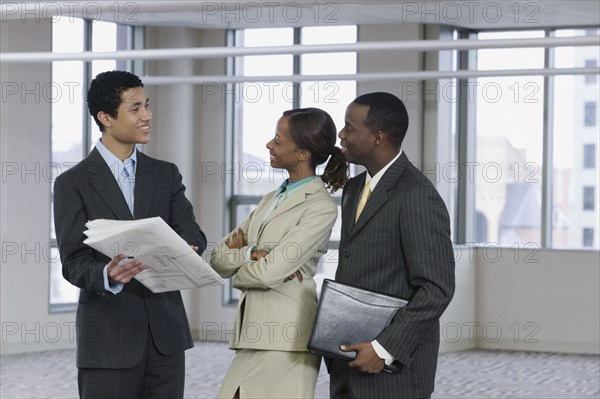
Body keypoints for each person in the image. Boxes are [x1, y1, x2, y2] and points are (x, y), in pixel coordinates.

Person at [53, 70, 206, 399]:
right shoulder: (73, 183)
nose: (147, 116)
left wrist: (190, 247)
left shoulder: (165, 174)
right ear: (105, 117)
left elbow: (191, 230)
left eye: (147, 106)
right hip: (108, 340)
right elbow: (73, 261)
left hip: (165, 337)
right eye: (135, 108)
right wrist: (106, 273)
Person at [210, 107, 348, 399]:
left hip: (287, 336)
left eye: (278, 139)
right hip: (253, 332)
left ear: (302, 154)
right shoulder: (270, 199)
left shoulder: (319, 206)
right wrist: (252, 254)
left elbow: (268, 273)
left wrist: (254, 264)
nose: (269, 145)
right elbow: (218, 259)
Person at [329, 92, 455, 399]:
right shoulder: (354, 188)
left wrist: (384, 348)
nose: (341, 134)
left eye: (349, 127)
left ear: (377, 137)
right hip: (348, 364)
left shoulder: (416, 195)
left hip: (391, 372)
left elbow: (436, 288)